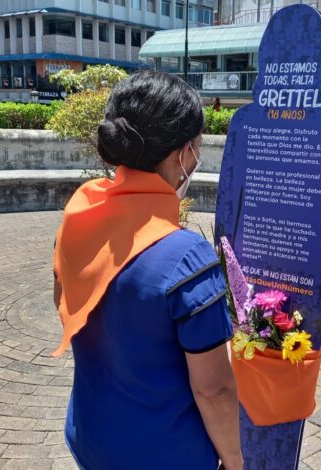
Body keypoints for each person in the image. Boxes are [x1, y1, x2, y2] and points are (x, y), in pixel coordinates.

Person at [53, 71, 242, 470]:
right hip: (166, 455)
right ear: (182, 155)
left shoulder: (80, 217)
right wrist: (235, 460)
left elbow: (68, 309)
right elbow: (215, 391)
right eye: (198, 147)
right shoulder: (187, 259)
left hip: (90, 437)